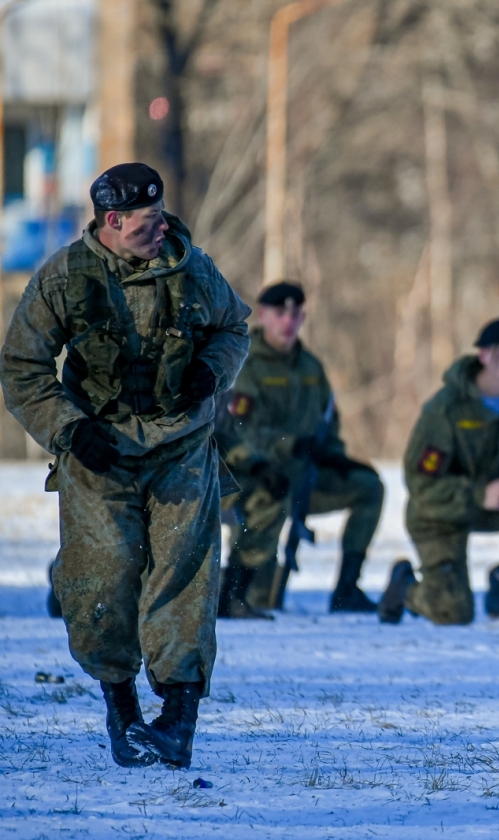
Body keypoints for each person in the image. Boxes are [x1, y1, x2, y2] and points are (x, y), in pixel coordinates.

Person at [0, 163, 251, 769]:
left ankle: (178, 720)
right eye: (147, 220)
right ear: (111, 221)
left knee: (183, 578)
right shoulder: (64, 277)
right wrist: (68, 429)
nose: (160, 227)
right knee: (103, 579)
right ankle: (122, 709)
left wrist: (211, 370)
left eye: (161, 215)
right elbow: (21, 367)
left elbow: (234, 327)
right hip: (100, 451)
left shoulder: (193, 267)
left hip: (181, 447)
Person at [215, 282, 384, 617]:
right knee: (263, 592)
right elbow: (240, 430)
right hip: (249, 473)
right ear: (263, 315)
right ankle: (234, 594)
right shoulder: (244, 363)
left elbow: (327, 419)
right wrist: (285, 447)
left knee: (369, 487)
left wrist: (332, 454)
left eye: (295, 314)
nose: (288, 321)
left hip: (302, 473)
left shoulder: (310, 367)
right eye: (280, 313)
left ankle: (347, 588)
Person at [378, 318, 499, 629]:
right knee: (453, 612)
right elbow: (421, 485)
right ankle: (405, 588)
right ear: (485, 355)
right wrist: (479, 494)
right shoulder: (446, 409)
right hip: (441, 512)